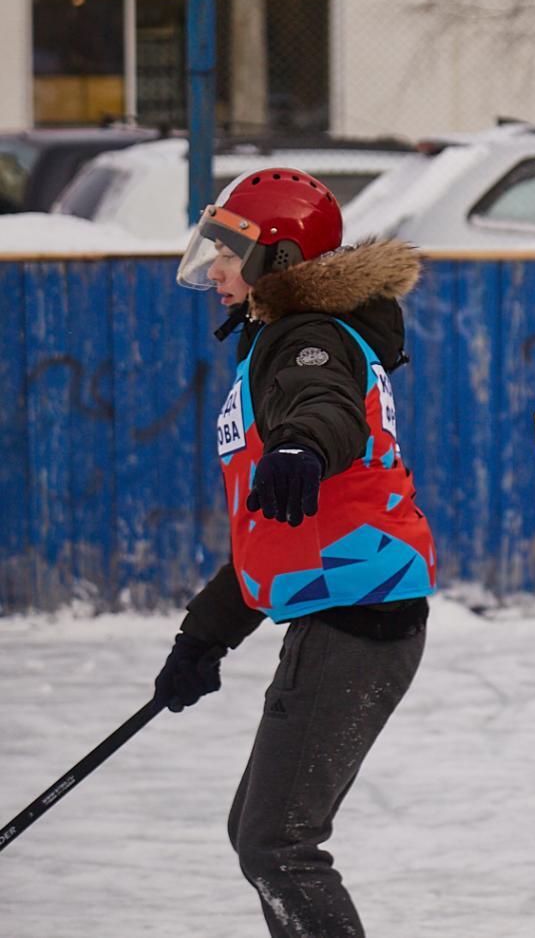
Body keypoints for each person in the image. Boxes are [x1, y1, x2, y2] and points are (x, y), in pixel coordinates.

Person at [155, 170, 434, 938]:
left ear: (278, 259)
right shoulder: (282, 340)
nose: (213, 268)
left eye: (228, 251)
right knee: (261, 831)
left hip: (358, 619)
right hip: (341, 609)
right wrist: (203, 635)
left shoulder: (304, 339)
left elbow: (325, 411)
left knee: (276, 843)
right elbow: (273, 529)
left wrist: (302, 447)